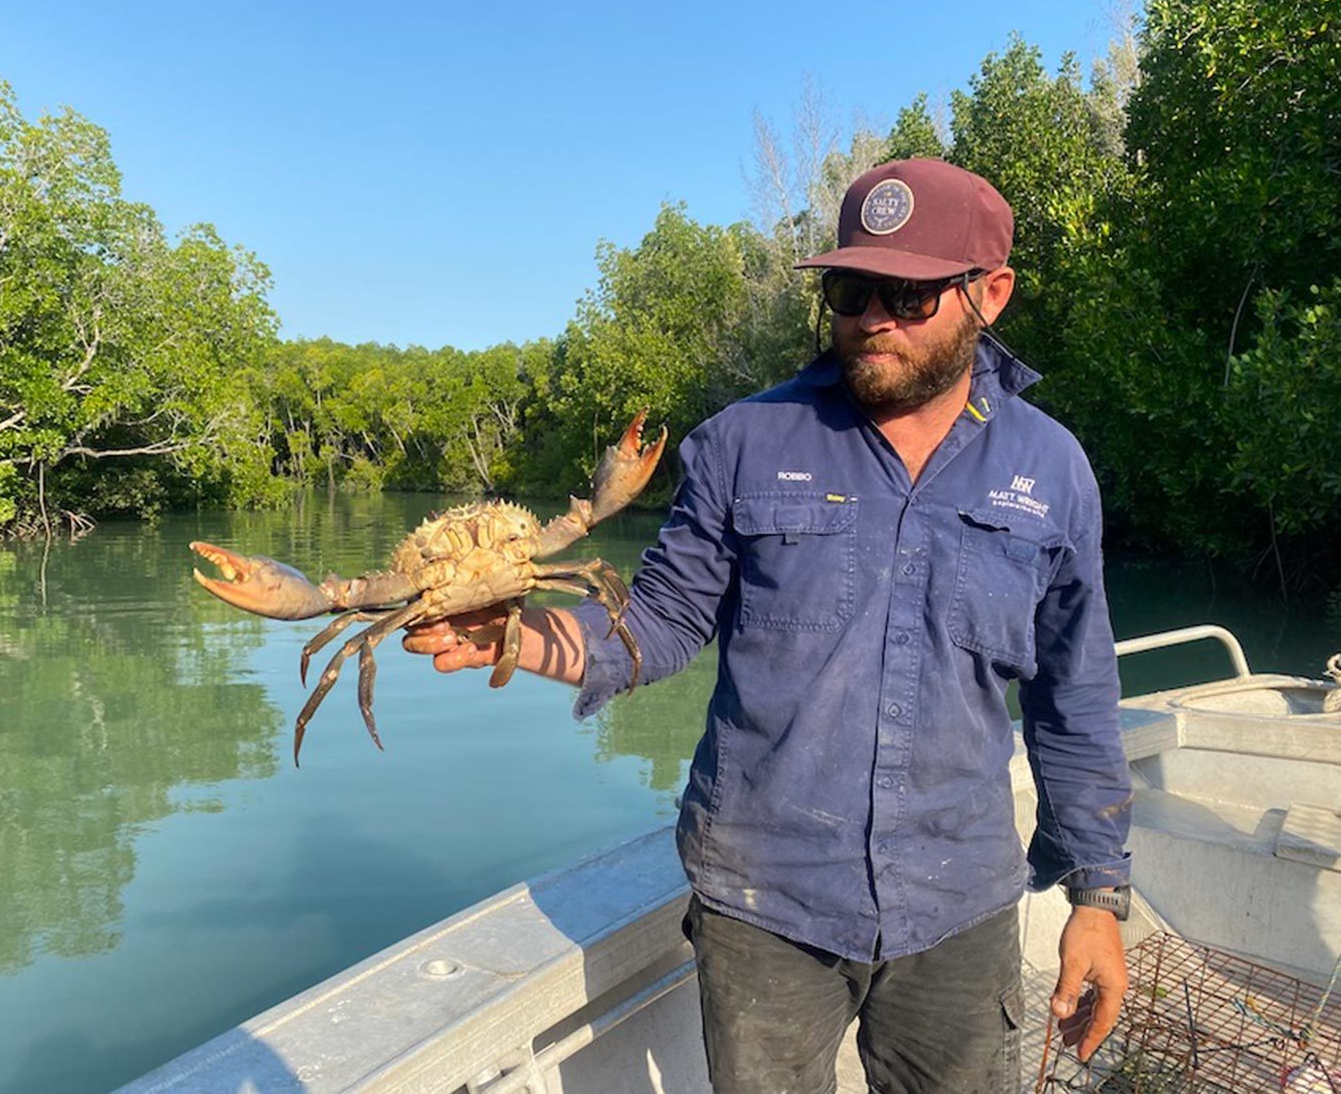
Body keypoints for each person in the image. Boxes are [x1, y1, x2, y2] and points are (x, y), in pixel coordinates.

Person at [404, 158, 1133, 1093]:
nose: (872, 315)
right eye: (850, 289)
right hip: (764, 904)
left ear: (989, 294)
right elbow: (660, 619)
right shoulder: (743, 443)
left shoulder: (1053, 470)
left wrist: (1099, 898)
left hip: (959, 902)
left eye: (909, 295)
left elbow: (1075, 695)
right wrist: (514, 637)